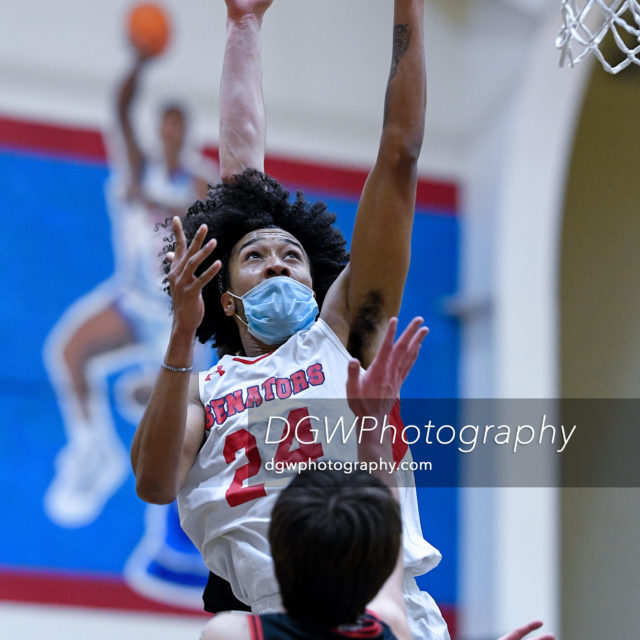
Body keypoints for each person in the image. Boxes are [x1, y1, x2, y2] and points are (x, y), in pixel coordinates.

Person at [132, 0, 448, 637]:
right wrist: (242, 29)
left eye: (293, 256)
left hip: (387, 615)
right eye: (255, 255)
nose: (277, 264)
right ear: (224, 293)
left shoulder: (341, 340)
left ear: (316, 279)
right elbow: (156, 482)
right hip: (278, 619)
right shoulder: (202, 389)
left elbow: (400, 153)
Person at [199, 319, 554, 640]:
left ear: (275, 547)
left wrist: (185, 329)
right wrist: (373, 423)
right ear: (377, 564)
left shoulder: (232, 633)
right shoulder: (392, 628)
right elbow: (387, 539)